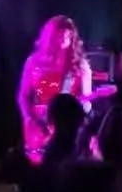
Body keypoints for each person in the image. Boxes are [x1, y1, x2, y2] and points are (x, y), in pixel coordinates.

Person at [18, 16, 91, 162]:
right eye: (60, 34)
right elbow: (23, 95)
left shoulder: (80, 66)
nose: (64, 38)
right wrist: (29, 119)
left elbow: (87, 102)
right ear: (50, 36)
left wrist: (83, 106)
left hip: (66, 129)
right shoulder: (33, 62)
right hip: (38, 128)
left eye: (69, 35)